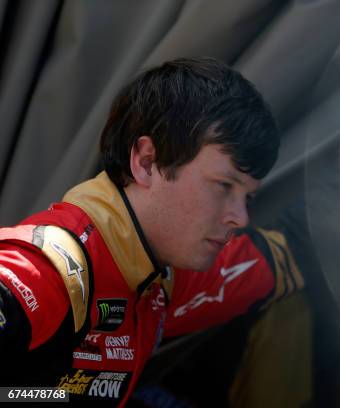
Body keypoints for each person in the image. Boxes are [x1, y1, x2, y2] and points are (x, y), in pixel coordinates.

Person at [0, 58, 305, 405]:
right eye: (223, 185)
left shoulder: (161, 279)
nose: (241, 217)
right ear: (147, 162)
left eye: (247, 197)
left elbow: (285, 254)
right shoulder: (48, 272)